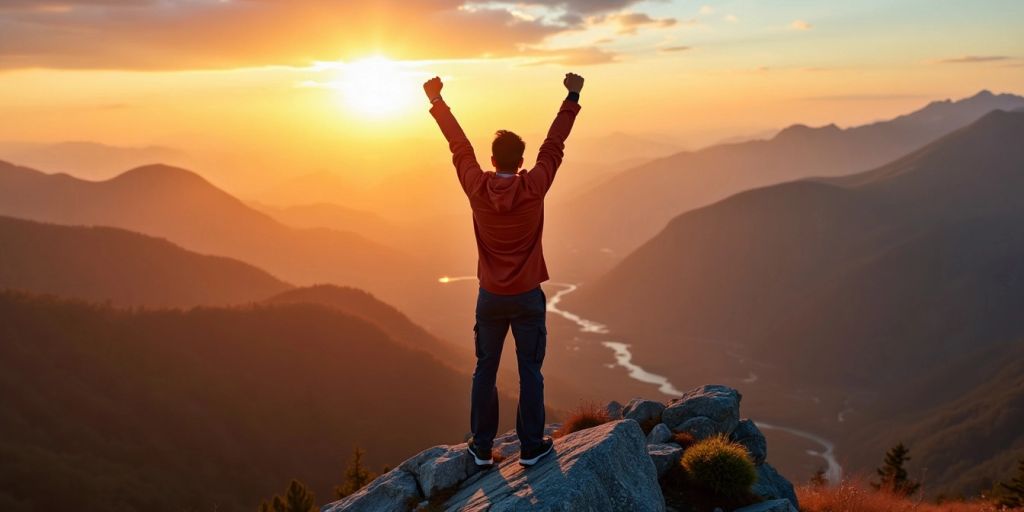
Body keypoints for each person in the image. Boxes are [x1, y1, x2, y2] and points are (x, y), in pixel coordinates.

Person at [424, 72, 584, 468]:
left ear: (492, 160)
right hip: (528, 296)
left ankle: (480, 448)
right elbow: (554, 146)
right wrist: (572, 96)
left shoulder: (476, 187)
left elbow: (458, 146)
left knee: (485, 369)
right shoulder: (534, 187)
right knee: (530, 370)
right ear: (522, 161)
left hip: (490, 297)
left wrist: (437, 101)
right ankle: (531, 447)